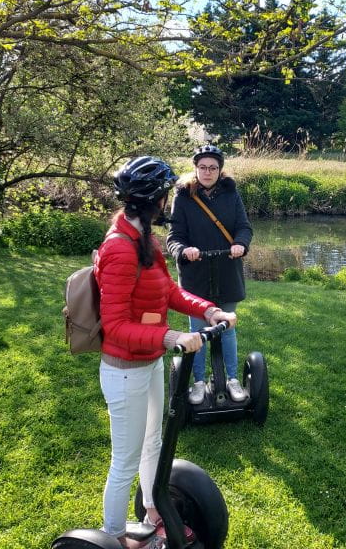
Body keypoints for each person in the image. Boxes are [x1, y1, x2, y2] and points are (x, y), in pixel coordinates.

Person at [96, 155, 236, 549]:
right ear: (156, 199)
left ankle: (154, 512)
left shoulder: (144, 237)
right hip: (124, 369)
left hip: (148, 364)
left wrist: (206, 308)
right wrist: (168, 338)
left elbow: (169, 291)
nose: (167, 202)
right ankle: (112, 536)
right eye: (164, 196)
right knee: (124, 459)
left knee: (154, 443)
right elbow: (115, 326)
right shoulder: (120, 249)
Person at [166, 145, 253, 406]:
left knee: (226, 329)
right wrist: (183, 250)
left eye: (212, 167)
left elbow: (244, 227)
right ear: (195, 169)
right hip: (196, 274)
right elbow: (174, 237)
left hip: (227, 270)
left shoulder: (230, 192)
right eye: (202, 167)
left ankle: (232, 379)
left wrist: (240, 244)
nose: (207, 172)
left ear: (220, 169)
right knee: (198, 330)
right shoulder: (183, 196)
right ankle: (199, 382)